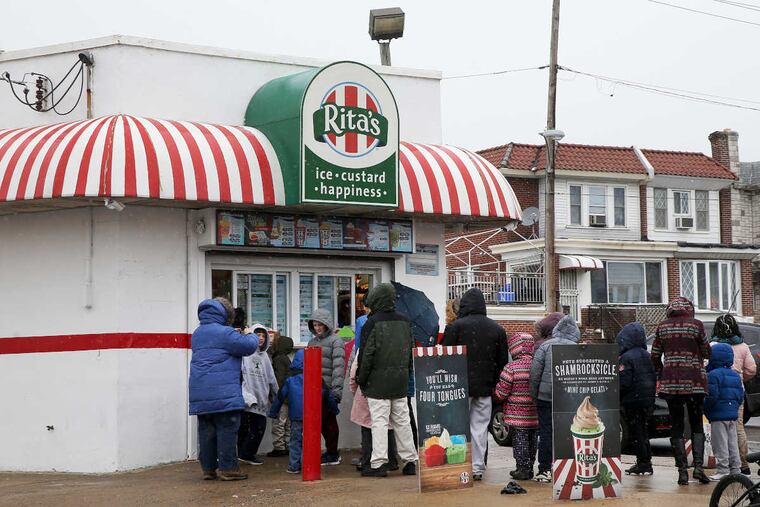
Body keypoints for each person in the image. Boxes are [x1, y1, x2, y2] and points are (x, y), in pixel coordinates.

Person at [188, 297, 260, 481]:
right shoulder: (226, 333)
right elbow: (250, 346)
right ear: (225, 314)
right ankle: (229, 469)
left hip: (201, 393)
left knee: (207, 431)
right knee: (227, 429)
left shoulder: (197, 333)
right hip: (223, 393)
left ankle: (209, 469)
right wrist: (249, 333)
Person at [441, 288, 509, 481]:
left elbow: (445, 357)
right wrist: (495, 386)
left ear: (465, 305)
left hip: (459, 386)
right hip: (486, 388)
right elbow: (502, 363)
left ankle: (458, 465)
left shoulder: (456, 327)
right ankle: (477, 468)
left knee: (458, 427)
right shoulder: (497, 329)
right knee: (479, 428)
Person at [356, 283, 418, 477]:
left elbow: (366, 355)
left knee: (380, 422)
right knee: (402, 421)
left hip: (377, 382)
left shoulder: (371, 323)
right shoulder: (405, 321)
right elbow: (410, 353)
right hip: (399, 380)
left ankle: (379, 463)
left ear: (375, 300)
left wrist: (362, 379)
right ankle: (410, 461)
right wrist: (406, 374)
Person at [651, 297, 711, 486]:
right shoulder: (696, 325)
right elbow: (708, 352)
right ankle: (699, 467)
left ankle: (682, 471)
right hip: (695, 383)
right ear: (689, 309)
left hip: (671, 384)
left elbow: (654, 355)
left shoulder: (662, 326)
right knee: (696, 424)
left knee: (676, 425)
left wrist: (663, 371)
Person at [268, 349, 340, 474]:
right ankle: (310, 465)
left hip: (296, 417)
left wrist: (273, 412)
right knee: (311, 441)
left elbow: (280, 397)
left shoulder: (290, 379)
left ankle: (294, 466)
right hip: (313, 416)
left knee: (295, 441)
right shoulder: (317, 378)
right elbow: (328, 396)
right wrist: (335, 410)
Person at [529, 314, 580, 483]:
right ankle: (567, 468)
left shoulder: (545, 346)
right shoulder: (578, 349)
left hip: (545, 397)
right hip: (568, 399)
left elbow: (535, 374)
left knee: (545, 432)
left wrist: (535, 395)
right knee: (568, 432)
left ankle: (544, 469)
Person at [711, 314, 757, 474]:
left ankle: (724, 466)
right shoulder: (743, 346)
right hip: (736, 390)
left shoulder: (713, 345)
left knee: (720, 431)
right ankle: (742, 464)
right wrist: (739, 378)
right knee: (737, 427)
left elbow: (705, 367)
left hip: (717, 390)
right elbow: (751, 369)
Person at [494, 332, 538, 481]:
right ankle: (530, 466)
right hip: (534, 413)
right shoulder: (537, 365)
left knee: (520, 442)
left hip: (516, 415)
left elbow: (502, 392)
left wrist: (497, 393)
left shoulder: (511, 367)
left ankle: (522, 468)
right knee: (532, 442)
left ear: (513, 349)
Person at [616, 322, 656, 476]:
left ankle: (643, 463)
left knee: (636, 432)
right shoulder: (647, 355)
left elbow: (624, 382)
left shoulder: (626, 358)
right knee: (643, 432)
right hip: (647, 400)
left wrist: (617, 396)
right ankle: (646, 461)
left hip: (633, 401)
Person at [307, 308, 345, 466]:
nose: (317, 328)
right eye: (315, 325)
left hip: (328, 389)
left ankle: (332, 452)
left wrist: (336, 391)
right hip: (315, 389)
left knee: (329, 422)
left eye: (320, 325)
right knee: (319, 422)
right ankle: (329, 452)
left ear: (327, 324)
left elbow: (338, 368)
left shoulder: (336, 341)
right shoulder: (312, 342)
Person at [349, 357, 399, 472]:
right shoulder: (394, 344)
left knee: (368, 426)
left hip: (367, 390)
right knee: (388, 425)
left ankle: (369, 462)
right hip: (391, 390)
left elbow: (354, 374)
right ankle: (391, 461)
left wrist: (355, 391)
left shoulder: (366, 346)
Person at [239, 324, 278, 465]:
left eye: (263, 336)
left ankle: (246, 454)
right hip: (247, 398)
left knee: (259, 427)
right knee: (246, 428)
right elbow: (241, 375)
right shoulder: (244, 354)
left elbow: (271, 378)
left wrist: (277, 395)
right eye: (257, 335)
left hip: (262, 399)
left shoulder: (265, 357)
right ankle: (245, 454)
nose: (260, 338)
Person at [704, 343, 744, 481]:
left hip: (718, 414)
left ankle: (723, 469)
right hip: (732, 414)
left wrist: (706, 409)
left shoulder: (713, 375)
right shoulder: (735, 375)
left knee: (720, 443)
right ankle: (736, 469)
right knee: (732, 443)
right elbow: (740, 396)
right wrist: (733, 406)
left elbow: (711, 396)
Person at [267, 331, 295, 458]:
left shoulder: (278, 359)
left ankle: (279, 447)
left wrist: (276, 396)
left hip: (281, 397)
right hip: (289, 397)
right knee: (287, 423)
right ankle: (288, 445)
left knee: (279, 422)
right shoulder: (287, 359)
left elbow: (278, 379)